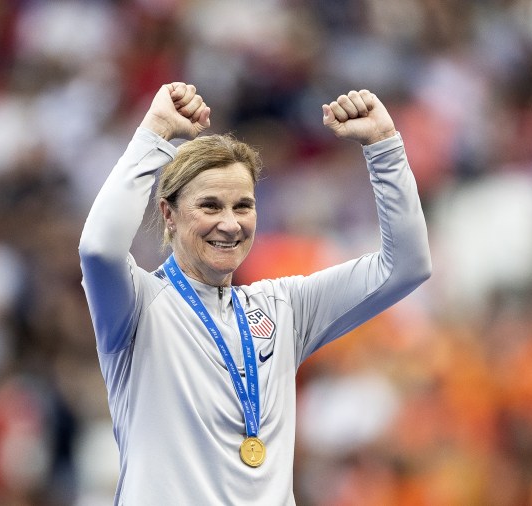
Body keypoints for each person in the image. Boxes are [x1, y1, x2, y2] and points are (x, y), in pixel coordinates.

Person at [78, 82, 431, 505]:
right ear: (168, 214)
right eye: (210, 206)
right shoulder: (138, 306)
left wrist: (384, 148)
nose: (230, 224)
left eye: (243, 206)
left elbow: (406, 265)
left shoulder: (284, 308)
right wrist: (154, 133)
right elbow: (99, 247)